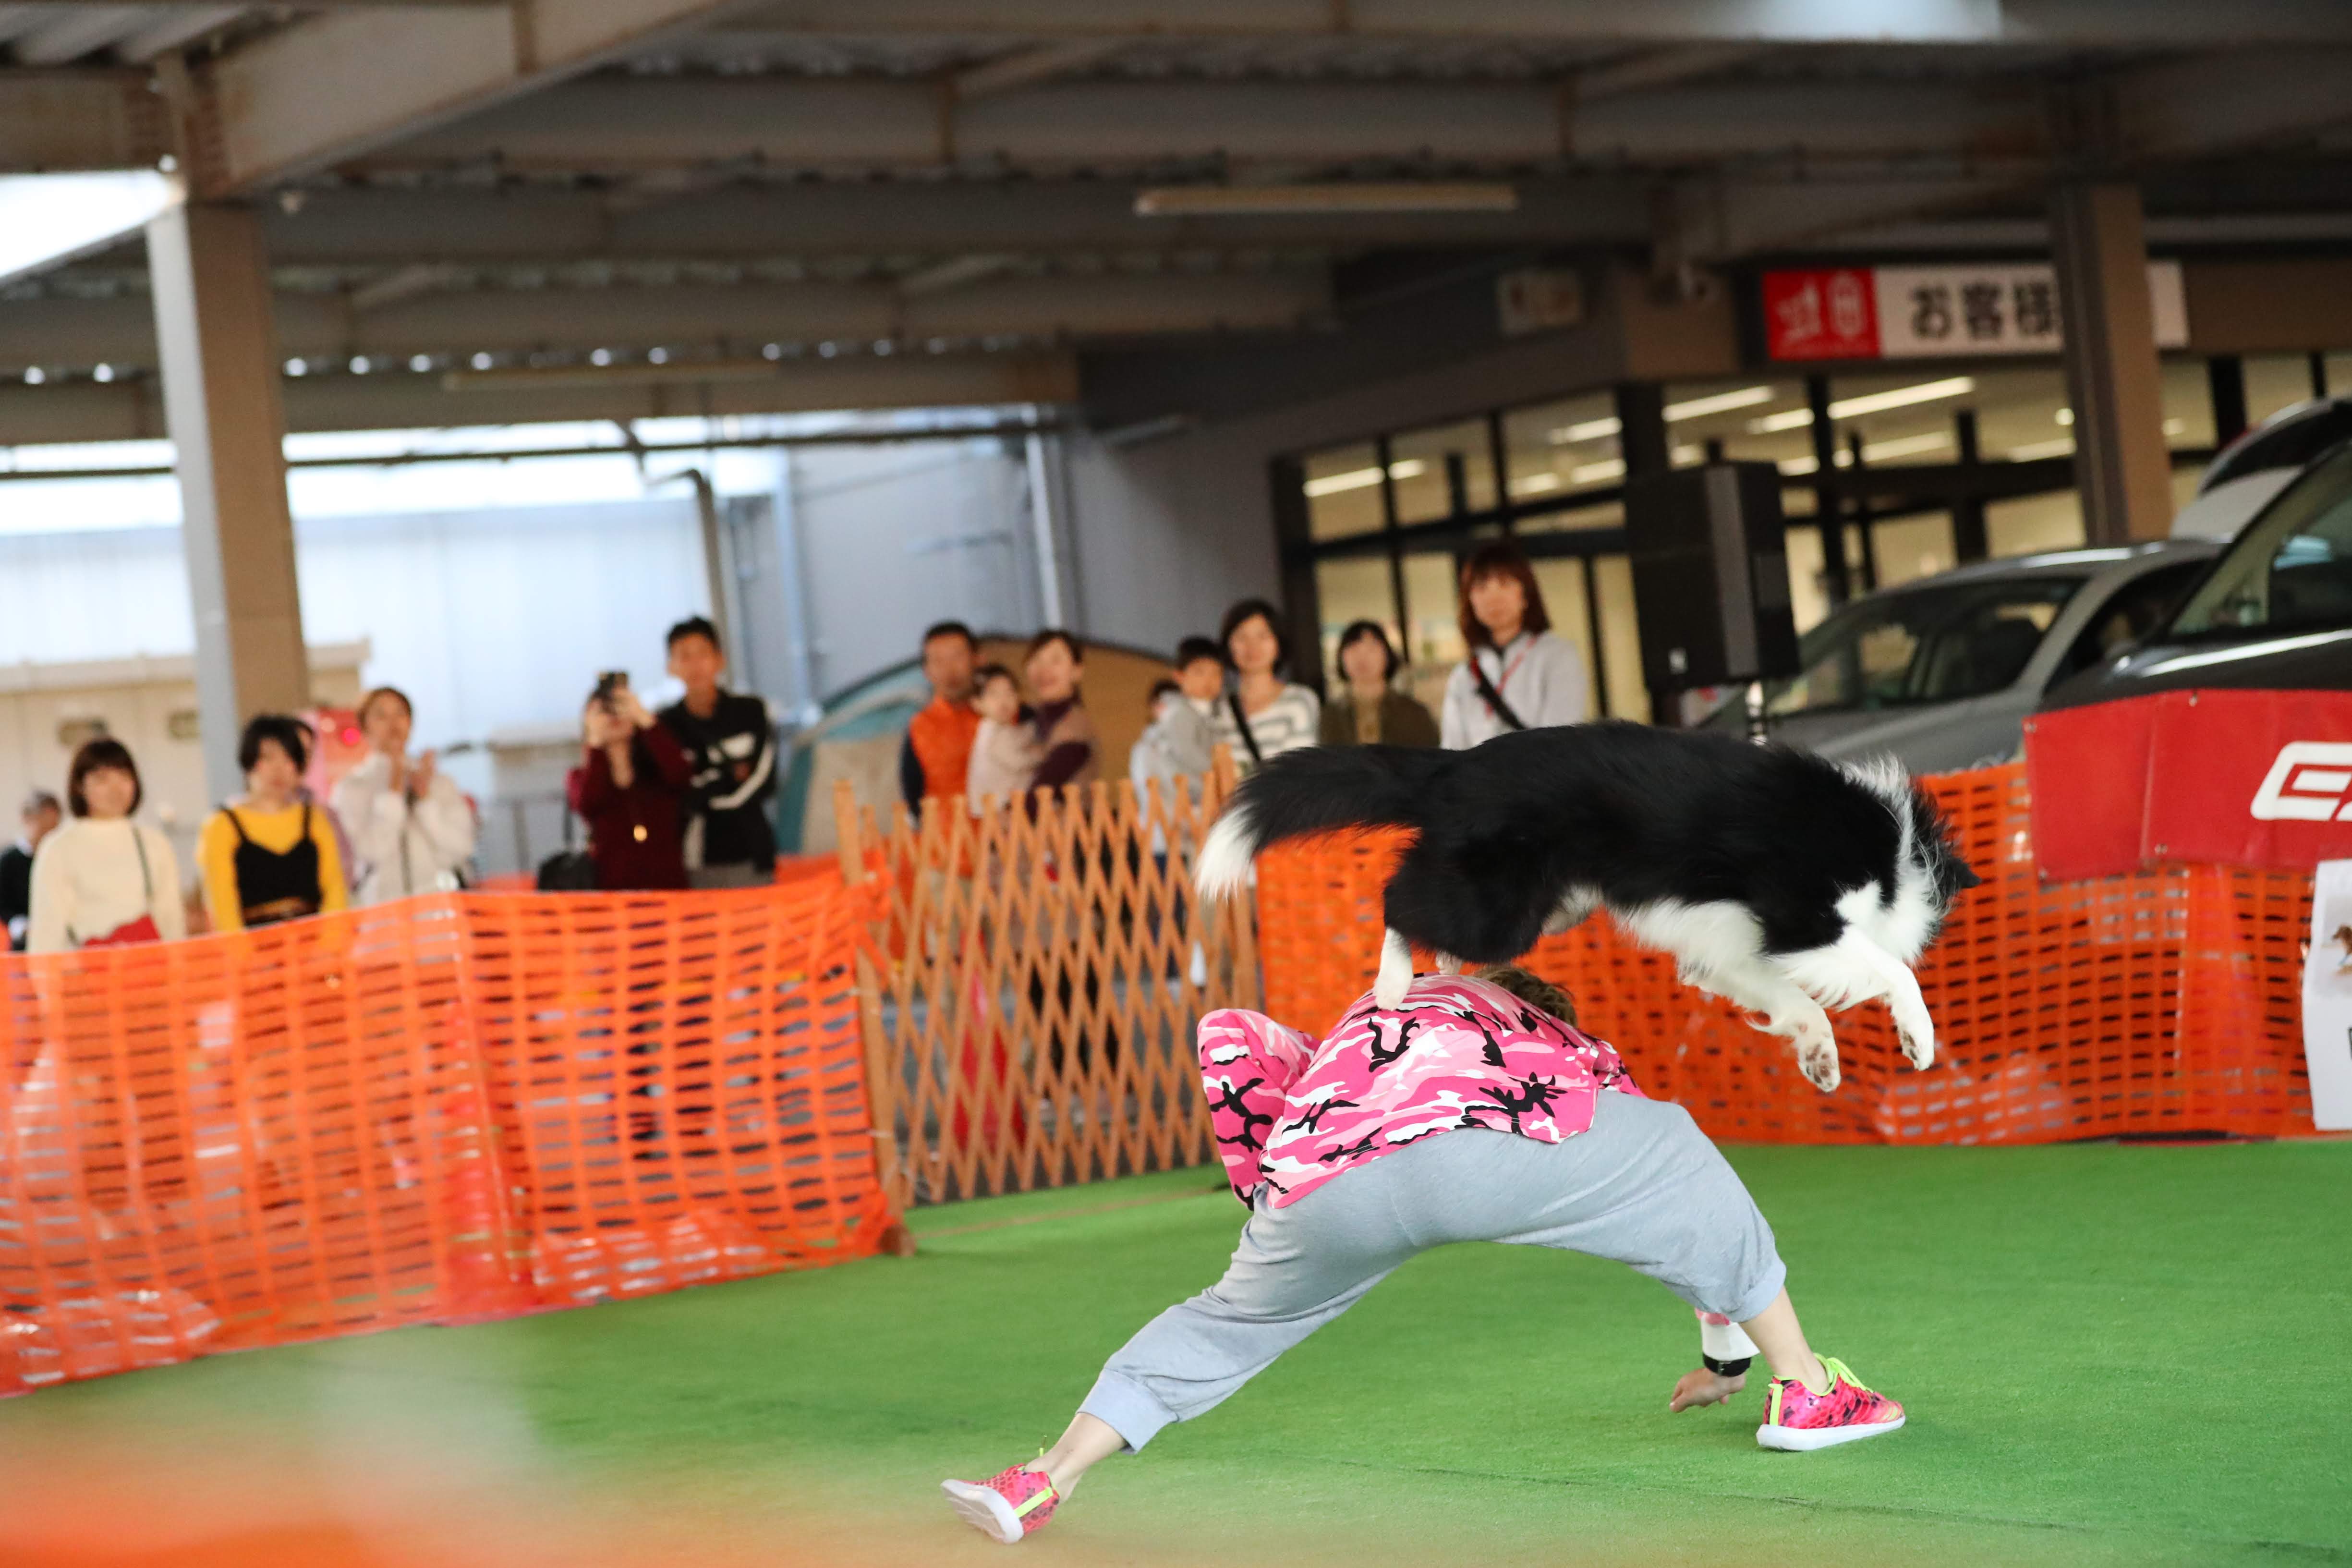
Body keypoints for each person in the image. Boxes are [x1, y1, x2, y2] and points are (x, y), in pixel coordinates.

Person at [941, 966, 1907, 1543]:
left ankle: (1043, 1478)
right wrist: (1722, 1358)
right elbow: (1666, 1206)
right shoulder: (1549, 1035)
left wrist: (1274, 1191)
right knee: (1676, 1149)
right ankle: (1804, 1387)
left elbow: (1240, 1044)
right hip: (1471, 1142)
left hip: (1319, 1174)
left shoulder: (1386, 1006)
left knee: (1222, 1321)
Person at [657, 617, 778, 888]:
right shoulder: (664, 726)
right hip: (695, 859)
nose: (695, 665)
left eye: (702, 653)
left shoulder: (751, 712)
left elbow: (764, 780)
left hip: (751, 854)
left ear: (720, 659)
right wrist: (728, 775)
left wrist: (705, 783)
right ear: (671, 667)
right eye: (684, 656)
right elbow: (673, 792)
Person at [25, 745, 183, 952]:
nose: (115, 788)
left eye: (124, 777)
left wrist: (178, 972)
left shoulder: (154, 842)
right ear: (80, 787)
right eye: (102, 779)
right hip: (84, 975)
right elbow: (47, 931)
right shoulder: (58, 848)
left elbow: (171, 920)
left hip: (148, 970)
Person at [199, 716, 350, 932]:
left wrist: (329, 948)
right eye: (268, 758)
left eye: (289, 759)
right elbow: (222, 903)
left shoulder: (314, 818)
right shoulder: (222, 825)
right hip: (255, 947)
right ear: (249, 761)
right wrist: (245, 959)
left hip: (314, 947)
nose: (278, 769)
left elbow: (335, 890)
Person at [331, 686, 477, 905]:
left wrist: (425, 801)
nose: (393, 724)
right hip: (383, 909)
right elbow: (369, 852)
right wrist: (394, 791)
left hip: (440, 906)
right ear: (364, 727)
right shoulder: (352, 788)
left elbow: (462, 847)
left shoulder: (437, 781)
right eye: (381, 715)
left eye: (400, 713)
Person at [1441, 541, 1589, 750]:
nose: (1494, 597)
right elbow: (1452, 750)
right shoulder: (1463, 675)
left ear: (1526, 595)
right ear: (1470, 600)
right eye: (1481, 587)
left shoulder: (1558, 655)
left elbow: (1559, 742)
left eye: (1505, 583)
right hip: (1477, 781)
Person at [568, 677, 693, 891]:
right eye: (604, 711)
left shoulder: (657, 771)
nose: (614, 716)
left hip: (669, 893)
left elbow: (681, 774)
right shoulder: (581, 776)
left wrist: (645, 719)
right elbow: (589, 803)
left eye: (619, 707)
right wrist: (595, 742)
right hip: (614, 900)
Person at [1209, 599, 1320, 777]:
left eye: (1263, 636)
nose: (1252, 646)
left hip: (1281, 804)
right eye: (1242, 637)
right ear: (1228, 646)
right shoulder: (1216, 708)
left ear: (1278, 644)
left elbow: (1300, 772)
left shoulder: (1300, 700)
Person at [900, 620, 983, 812]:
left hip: (1008, 832)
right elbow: (913, 799)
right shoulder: (919, 727)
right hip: (946, 834)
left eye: (957, 657)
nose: (950, 670)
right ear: (926, 671)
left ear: (978, 659)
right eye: (938, 661)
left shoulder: (1006, 714)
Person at [1318, 620, 1440, 749]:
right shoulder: (1330, 715)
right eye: (1354, 648)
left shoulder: (1415, 713)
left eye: (1371, 649)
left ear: (1387, 655)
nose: (1362, 658)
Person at [1128, 637, 1224, 796]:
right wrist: (1215, 769)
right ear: (1179, 676)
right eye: (1200, 672)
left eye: (1216, 673)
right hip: (1179, 788)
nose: (1209, 681)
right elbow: (1185, 750)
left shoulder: (1208, 711)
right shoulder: (1180, 712)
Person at [1023, 631, 1099, 799]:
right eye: (1036, 659)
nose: (1044, 669)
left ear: (1077, 672)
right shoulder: (1027, 717)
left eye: (1055, 660)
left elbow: (1038, 798)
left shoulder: (1077, 729)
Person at [965, 663, 1042, 809]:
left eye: (1010, 693)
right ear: (977, 704)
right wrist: (1040, 754)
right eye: (994, 695)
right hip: (997, 807)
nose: (1003, 701)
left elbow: (1019, 736)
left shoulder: (1000, 728)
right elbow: (1017, 761)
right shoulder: (992, 733)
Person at [3, 789, 61, 950]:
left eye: (54, 828)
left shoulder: (60, 858)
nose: (49, 836)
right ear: (27, 819)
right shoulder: (9, 860)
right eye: (44, 827)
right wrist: (21, 925)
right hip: (24, 944)